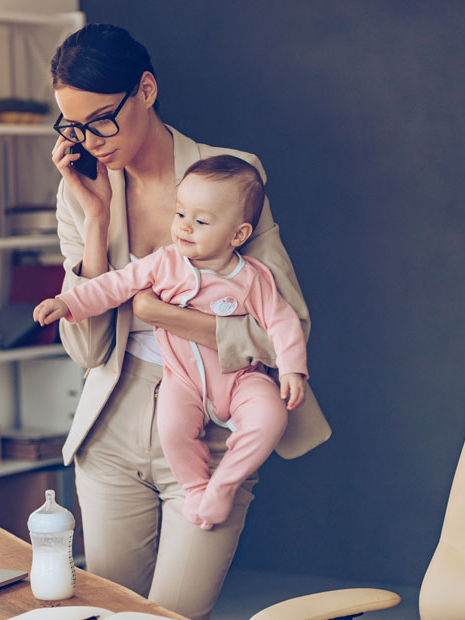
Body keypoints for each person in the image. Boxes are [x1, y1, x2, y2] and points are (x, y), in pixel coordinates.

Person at [47, 23, 331, 620]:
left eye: (102, 119)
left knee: (172, 615)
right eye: (73, 126)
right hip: (113, 427)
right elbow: (88, 351)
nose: (90, 140)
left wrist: (162, 314)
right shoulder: (80, 192)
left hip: (214, 426)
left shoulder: (229, 175)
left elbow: (285, 329)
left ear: (145, 90)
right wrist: (94, 222)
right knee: (106, 613)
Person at [35, 154, 308, 530]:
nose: (184, 228)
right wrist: (67, 302)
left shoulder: (252, 277)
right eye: (180, 214)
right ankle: (196, 487)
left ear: (238, 235)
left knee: (271, 416)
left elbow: (282, 321)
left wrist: (292, 369)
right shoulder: (164, 262)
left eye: (201, 221)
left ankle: (224, 484)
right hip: (182, 381)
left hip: (242, 378)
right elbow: (115, 285)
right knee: (172, 427)